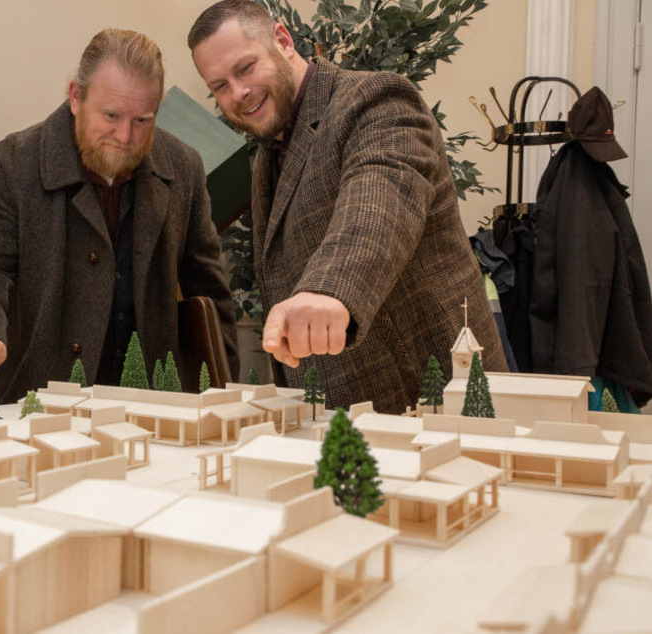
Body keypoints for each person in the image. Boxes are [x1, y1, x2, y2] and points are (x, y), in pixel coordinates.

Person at [188, 0, 507, 413]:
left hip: (434, 411)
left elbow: (378, 200)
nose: (238, 93)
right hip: (345, 425)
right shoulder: (270, 154)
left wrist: (327, 289)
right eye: (219, 86)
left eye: (245, 68)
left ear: (283, 41)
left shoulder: (376, 100)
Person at [0, 28, 238, 403]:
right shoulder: (11, 164)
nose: (125, 136)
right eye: (111, 115)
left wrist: (226, 398)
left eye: (142, 120)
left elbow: (209, 291)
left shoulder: (184, 166)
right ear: (75, 96)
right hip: (42, 406)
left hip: (155, 407)